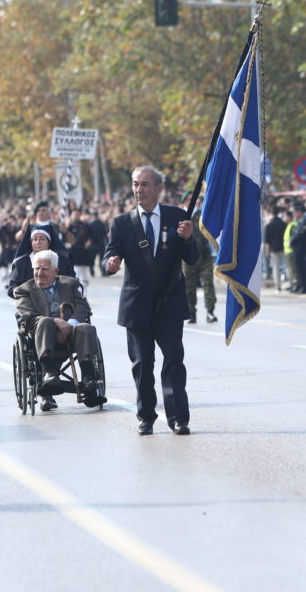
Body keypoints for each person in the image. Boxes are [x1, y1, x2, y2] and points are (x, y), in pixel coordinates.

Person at [103, 165, 197, 436]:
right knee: (143, 366)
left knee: (173, 363)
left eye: (145, 184)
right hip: (137, 306)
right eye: (135, 184)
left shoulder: (178, 217)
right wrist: (110, 263)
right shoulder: (122, 222)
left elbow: (192, 258)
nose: (138, 189)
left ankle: (179, 418)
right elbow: (110, 253)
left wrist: (189, 239)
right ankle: (146, 417)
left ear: (158, 189)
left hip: (169, 304)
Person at [13, 249, 106, 411]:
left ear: (55, 270)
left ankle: (88, 378)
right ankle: (49, 373)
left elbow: (83, 307)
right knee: (45, 322)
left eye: (44, 269)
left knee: (86, 328)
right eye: (36, 269)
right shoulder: (24, 290)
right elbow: (26, 316)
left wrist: (70, 324)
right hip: (42, 336)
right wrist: (56, 321)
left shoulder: (69, 284)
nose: (39, 273)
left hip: (71, 333)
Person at [6, 227, 74, 297]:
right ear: (31, 243)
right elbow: (11, 288)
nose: (38, 242)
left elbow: (72, 282)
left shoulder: (62, 262)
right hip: (28, 304)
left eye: (42, 239)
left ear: (48, 242)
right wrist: (25, 292)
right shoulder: (21, 263)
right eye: (35, 239)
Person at [181, 191, 216, 324]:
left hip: (204, 255)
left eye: (193, 199)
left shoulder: (202, 215)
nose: (192, 201)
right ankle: (191, 312)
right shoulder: (180, 216)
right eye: (189, 199)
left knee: (208, 283)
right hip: (187, 258)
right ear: (184, 201)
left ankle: (210, 311)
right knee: (189, 286)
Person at [289, 207, 306, 294]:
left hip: (301, 249)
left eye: (296, 212)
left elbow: (300, 235)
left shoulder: (305, 224)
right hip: (296, 249)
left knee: (302, 269)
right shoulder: (299, 223)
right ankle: (300, 285)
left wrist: (292, 241)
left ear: (300, 212)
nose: (294, 215)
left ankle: (304, 287)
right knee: (298, 269)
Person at [264, 206, 287, 291]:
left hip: (274, 249)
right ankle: (290, 283)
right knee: (287, 266)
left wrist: (267, 251)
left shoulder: (269, 225)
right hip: (284, 247)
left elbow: (267, 240)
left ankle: (278, 286)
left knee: (276, 268)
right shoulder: (283, 223)